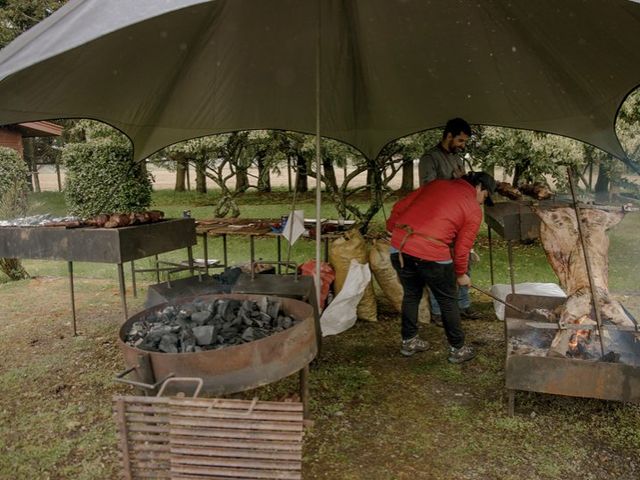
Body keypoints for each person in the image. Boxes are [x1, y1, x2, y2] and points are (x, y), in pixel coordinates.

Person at [387, 172, 496, 363]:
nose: (481, 202)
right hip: (432, 254)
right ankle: (458, 348)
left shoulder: (435, 184)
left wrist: (392, 228)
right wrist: (461, 274)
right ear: (479, 187)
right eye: (484, 197)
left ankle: (409, 341)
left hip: (400, 247)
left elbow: (399, 207)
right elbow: (462, 249)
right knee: (448, 300)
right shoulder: (473, 209)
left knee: (412, 294)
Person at [418, 117, 480, 324]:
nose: (462, 146)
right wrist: (456, 183)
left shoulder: (456, 158)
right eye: (460, 141)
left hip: (458, 218)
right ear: (449, 136)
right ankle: (438, 311)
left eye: (465, 142)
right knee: (441, 267)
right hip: (438, 220)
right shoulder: (430, 158)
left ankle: (463, 305)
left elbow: (461, 183)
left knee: (464, 259)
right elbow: (429, 189)